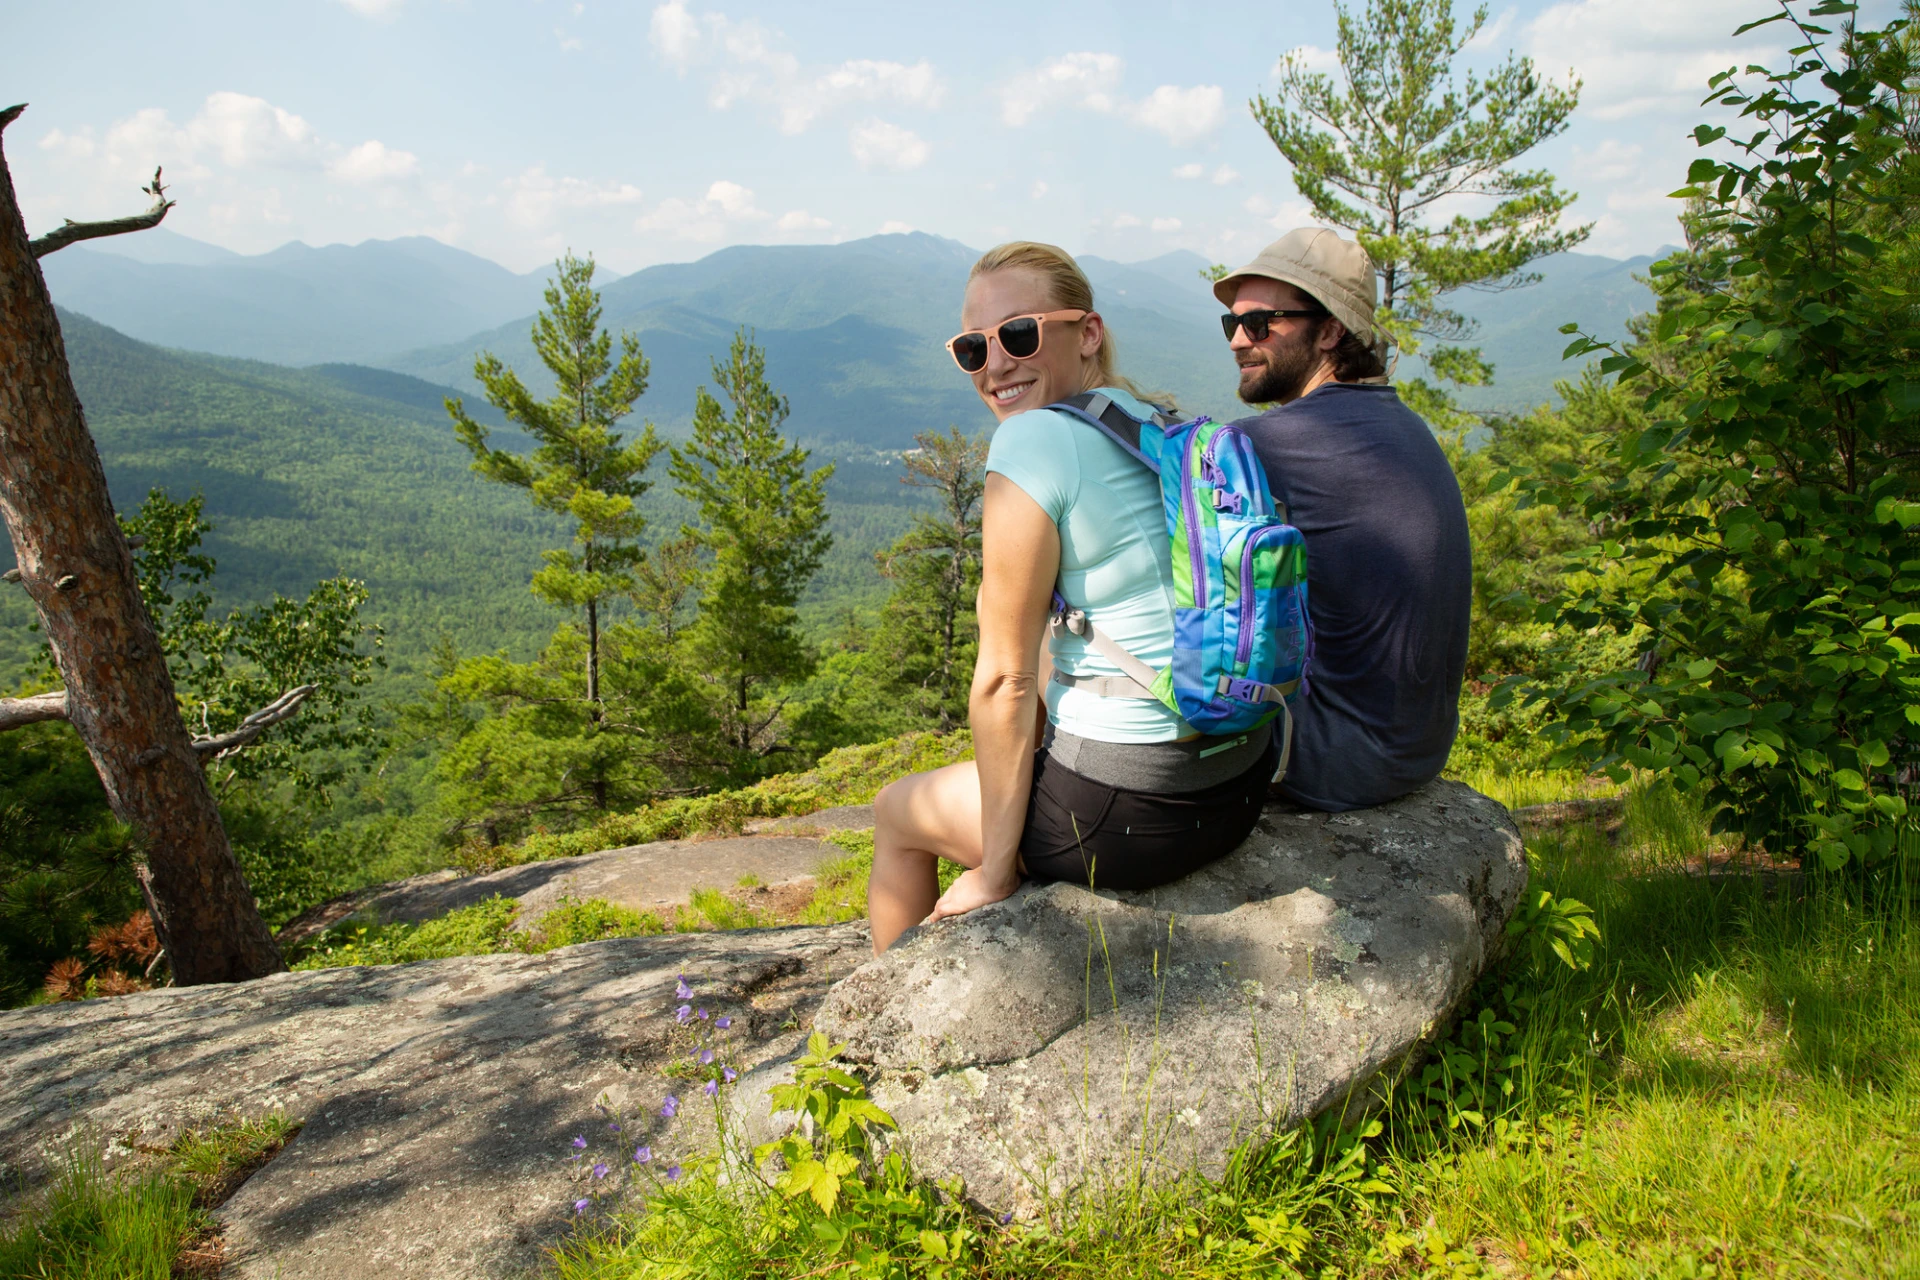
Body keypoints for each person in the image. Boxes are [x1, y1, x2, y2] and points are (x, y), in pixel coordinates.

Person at [865, 242, 1280, 954]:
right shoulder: (1154, 422)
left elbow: (1004, 678)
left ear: (1086, 332)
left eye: (1018, 334)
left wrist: (995, 871)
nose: (995, 364)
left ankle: (880, 1038)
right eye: (972, 348)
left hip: (1132, 813)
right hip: (1240, 781)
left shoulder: (1032, 441)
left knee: (897, 812)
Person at [1215, 228, 1472, 812]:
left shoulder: (1270, 443)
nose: (1237, 341)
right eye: (1232, 324)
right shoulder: (1399, 425)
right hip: (1415, 749)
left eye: (1260, 325)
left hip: (1335, 762)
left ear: (1331, 330)